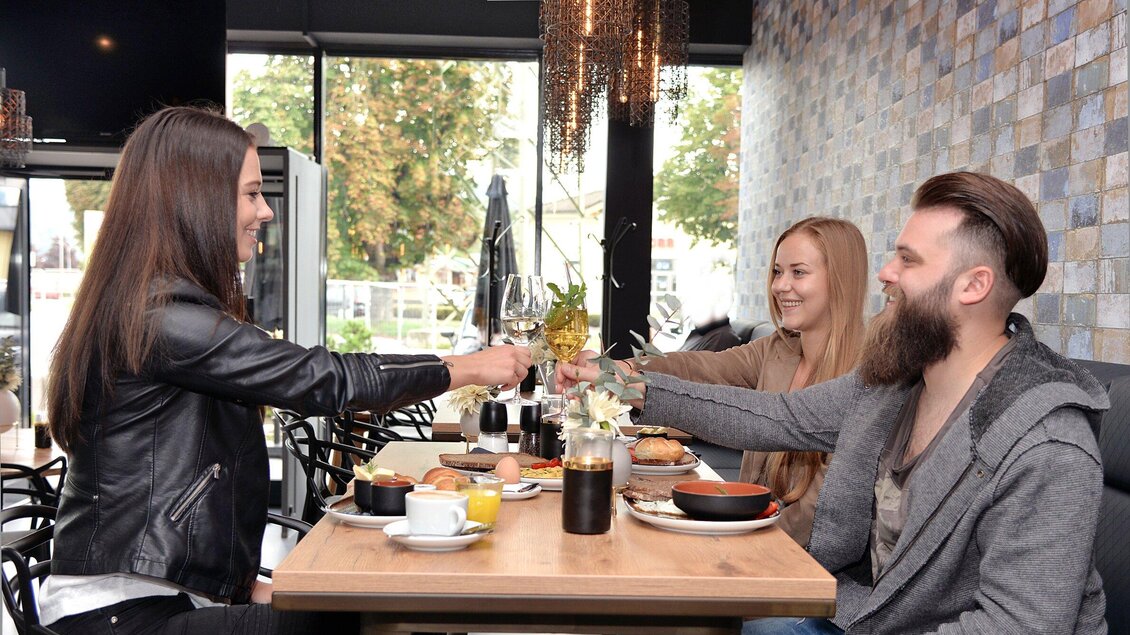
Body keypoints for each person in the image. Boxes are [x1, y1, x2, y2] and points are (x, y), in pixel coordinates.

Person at [41, 106, 531, 634]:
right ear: (195, 201)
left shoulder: (153, 311)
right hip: (122, 613)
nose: (266, 211)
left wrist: (250, 587)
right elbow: (325, 380)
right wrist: (462, 366)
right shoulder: (162, 321)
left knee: (376, 615)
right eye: (252, 193)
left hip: (166, 595)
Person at [559, 172, 1108, 634]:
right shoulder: (895, 382)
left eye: (908, 261)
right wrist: (622, 383)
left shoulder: (1047, 442)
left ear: (973, 285)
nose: (887, 274)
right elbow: (775, 417)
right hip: (867, 613)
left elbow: (1019, 627)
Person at [574, 217, 868, 547]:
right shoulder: (779, 348)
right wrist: (621, 368)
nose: (780, 285)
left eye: (798, 272)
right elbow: (699, 367)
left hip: (793, 563)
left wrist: (737, 544)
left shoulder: (865, 375)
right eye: (777, 271)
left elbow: (820, 514)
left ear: (841, 279)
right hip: (750, 536)